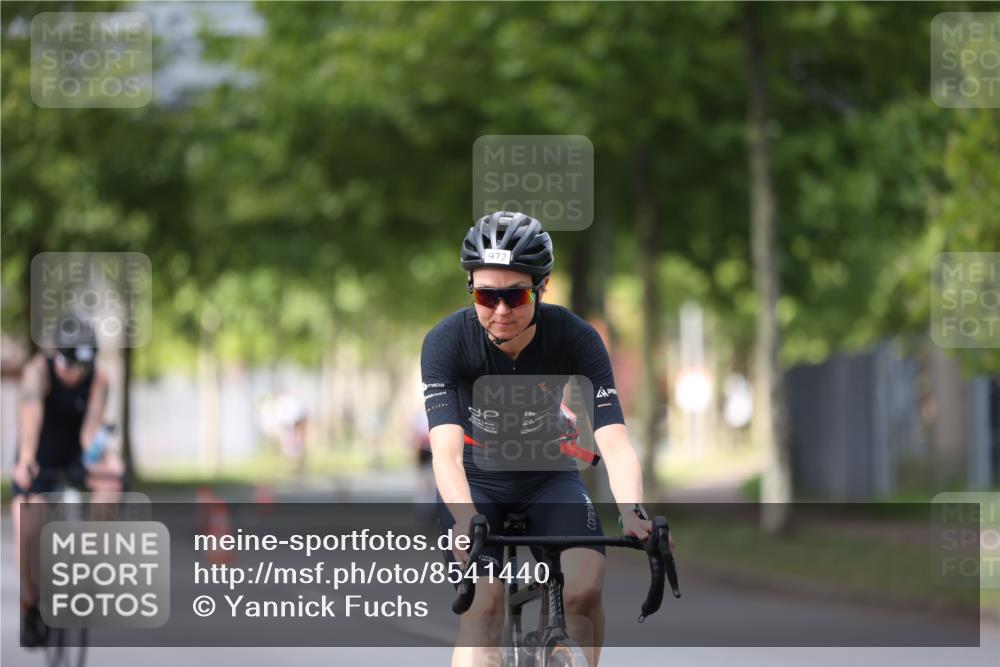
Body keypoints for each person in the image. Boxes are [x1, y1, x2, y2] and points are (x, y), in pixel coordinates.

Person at [421, 211, 671, 667]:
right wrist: (463, 518)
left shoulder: (576, 338)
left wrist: (633, 512)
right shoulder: (447, 342)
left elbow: (613, 440)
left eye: (515, 296)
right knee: (485, 605)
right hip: (476, 481)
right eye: (485, 295)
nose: (500, 311)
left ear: (542, 286)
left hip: (547, 476)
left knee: (584, 586)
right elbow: (445, 452)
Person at [10, 314, 125, 647]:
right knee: (26, 523)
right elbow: (31, 417)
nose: (77, 374)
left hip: (75, 456)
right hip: (38, 456)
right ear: (58, 355)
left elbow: (90, 429)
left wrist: (107, 458)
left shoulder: (99, 378)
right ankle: (31, 604)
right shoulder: (38, 372)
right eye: (72, 365)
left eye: (83, 367)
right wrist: (27, 458)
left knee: (111, 484)